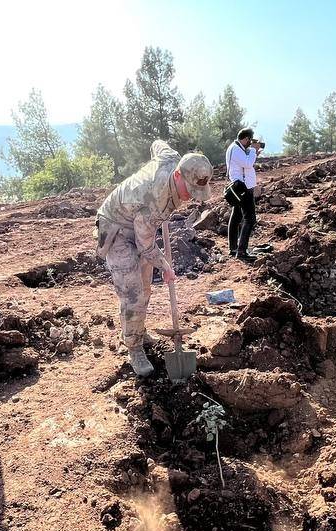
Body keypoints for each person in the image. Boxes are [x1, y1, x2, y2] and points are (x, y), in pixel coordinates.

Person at [95, 140, 212, 376]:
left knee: (146, 287)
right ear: (178, 176)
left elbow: (157, 144)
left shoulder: (172, 158)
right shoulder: (153, 201)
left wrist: (153, 168)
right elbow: (146, 246)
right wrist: (165, 267)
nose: (190, 197)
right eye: (189, 191)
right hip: (117, 228)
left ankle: (136, 329)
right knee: (133, 292)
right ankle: (134, 347)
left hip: (140, 225)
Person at [225, 127, 262, 262]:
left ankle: (234, 248)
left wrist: (253, 151)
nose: (250, 143)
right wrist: (253, 150)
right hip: (243, 187)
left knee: (236, 216)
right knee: (250, 219)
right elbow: (248, 163)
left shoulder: (235, 148)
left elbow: (245, 162)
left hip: (240, 186)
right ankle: (241, 251)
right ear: (246, 139)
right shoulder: (236, 149)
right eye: (250, 141)